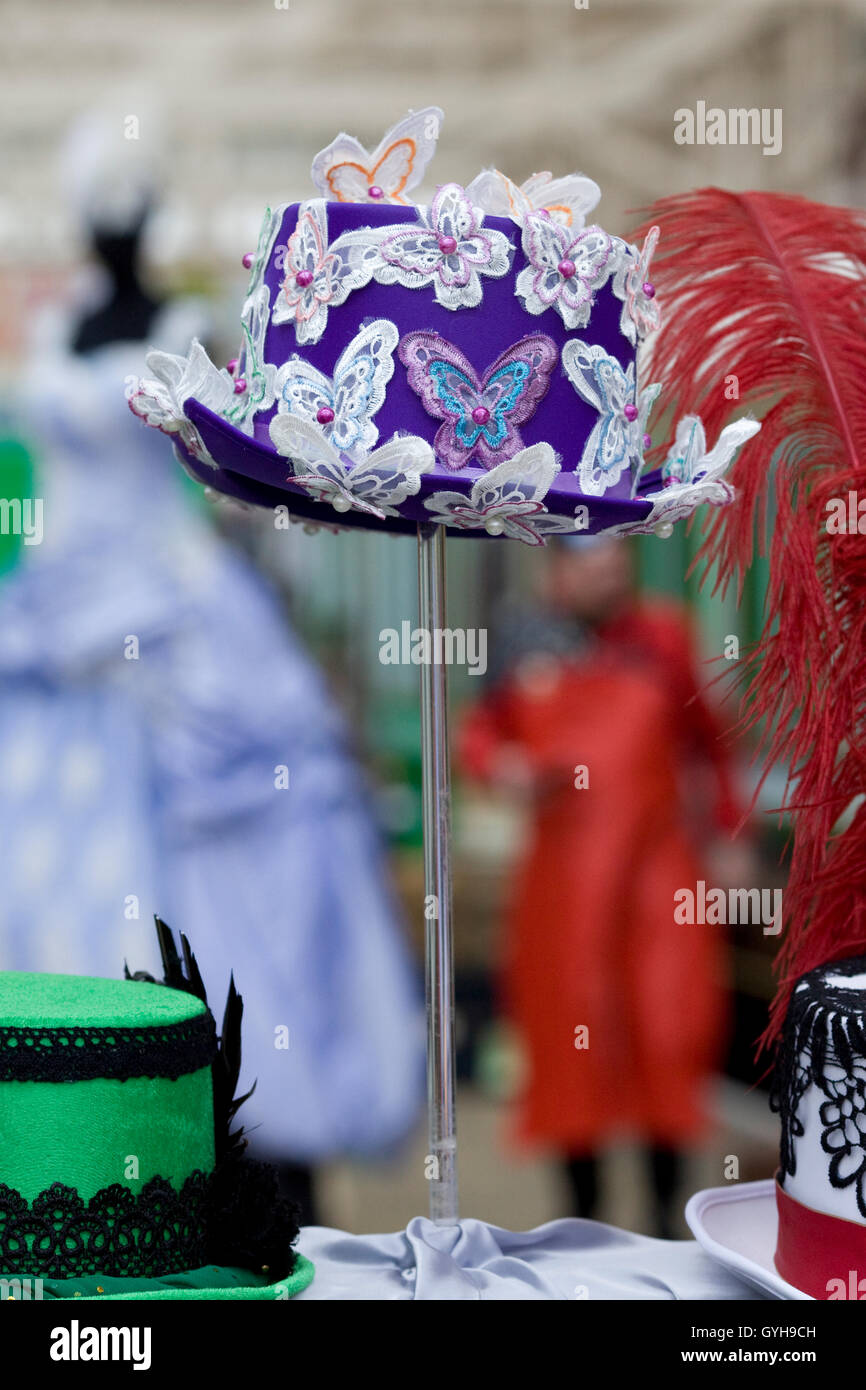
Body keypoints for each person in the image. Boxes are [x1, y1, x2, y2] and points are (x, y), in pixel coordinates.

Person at [0, 117, 424, 1223]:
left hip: (184, 631)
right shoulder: (51, 333)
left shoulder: (190, 326)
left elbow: (255, 464)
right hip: (59, 633)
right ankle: (87, 1155)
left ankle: (264, 1132)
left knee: (246, 884)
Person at [459, 536, 748, 1236]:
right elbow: (478, 736)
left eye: (618, 561)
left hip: (657, 880)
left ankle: (666, 1215)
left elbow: (711, 743)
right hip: (564, 887)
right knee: (570, 1039)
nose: (609, 573)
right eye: (591, 562)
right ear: (556, 569)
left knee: (665, 1032)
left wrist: (730, 835)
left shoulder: (665, 637)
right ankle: (580, 1219)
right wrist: (504, 766)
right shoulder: (522, 641)